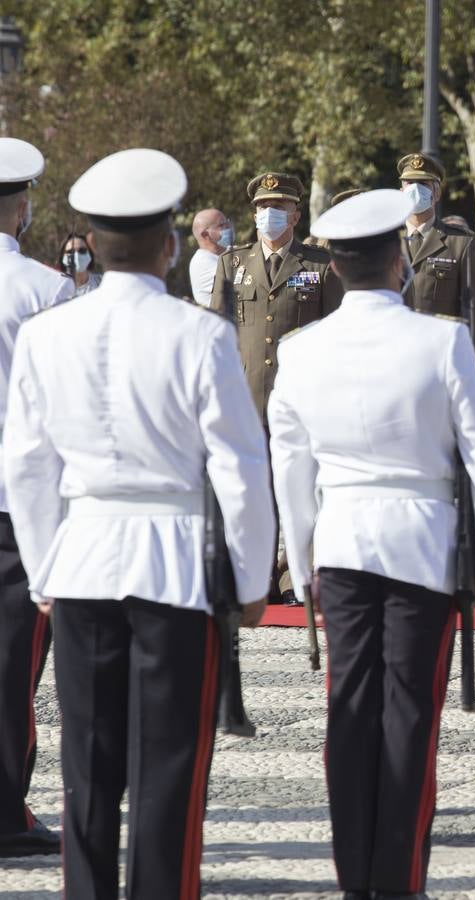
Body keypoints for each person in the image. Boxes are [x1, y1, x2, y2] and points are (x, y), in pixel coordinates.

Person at [4, 148, 274, 899]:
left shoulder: (48, 333)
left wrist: (44, 568)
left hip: (82, 558)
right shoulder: (201, 335)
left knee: (86, 765)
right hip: (175, 564)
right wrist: (250, 580)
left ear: (90, 242)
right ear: (169, 244)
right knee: (168, 768)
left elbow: (27, 464)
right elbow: (240, 473)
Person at [269, 189, 475, 900]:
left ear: (337, 267)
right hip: (424, 546)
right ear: (399, 260)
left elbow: (291, 467)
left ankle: (355, 880)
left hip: (339, 546)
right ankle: (397, 881)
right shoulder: (442, 340)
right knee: (409, 715)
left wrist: (302, 555)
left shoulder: (300, 349)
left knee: (348, 712)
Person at [210, 171, 343, 604]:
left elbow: (334, 333)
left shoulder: (318, 267)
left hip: (301, 398)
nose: (270, 214)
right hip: (247, 396)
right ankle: (258, 575)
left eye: (279, 207)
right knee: (252, 492)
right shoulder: (233, 264)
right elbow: (218, 333)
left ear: (296, 214)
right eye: (263, 207)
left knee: (300, 488)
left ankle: (295, 576)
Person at [0, 137, 72, 860]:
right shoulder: (45, 289)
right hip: (15, 500)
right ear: (21, 207)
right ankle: (4, 810)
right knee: (12, 665)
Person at [398, 153, 475, 354]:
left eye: (424, 184)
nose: (415, 190)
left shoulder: (461, 242)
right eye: (410, 183)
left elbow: (473, 307)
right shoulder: (386, 239)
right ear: (401, 190)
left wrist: (472, 359)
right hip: (393, 354)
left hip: (439, 354)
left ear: (437, 193)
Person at [189, 208, 232, 306]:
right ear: (205, 234)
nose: (229, 227)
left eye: (227, 222)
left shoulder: (227, 251)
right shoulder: (201, 262)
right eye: (222, 225)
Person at [58, 232, 102, 296]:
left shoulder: (103, 283)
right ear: (63, 257)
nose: (77, 255)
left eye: (82, 250)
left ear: (90, 254)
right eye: (70, 252)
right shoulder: (57, 289)